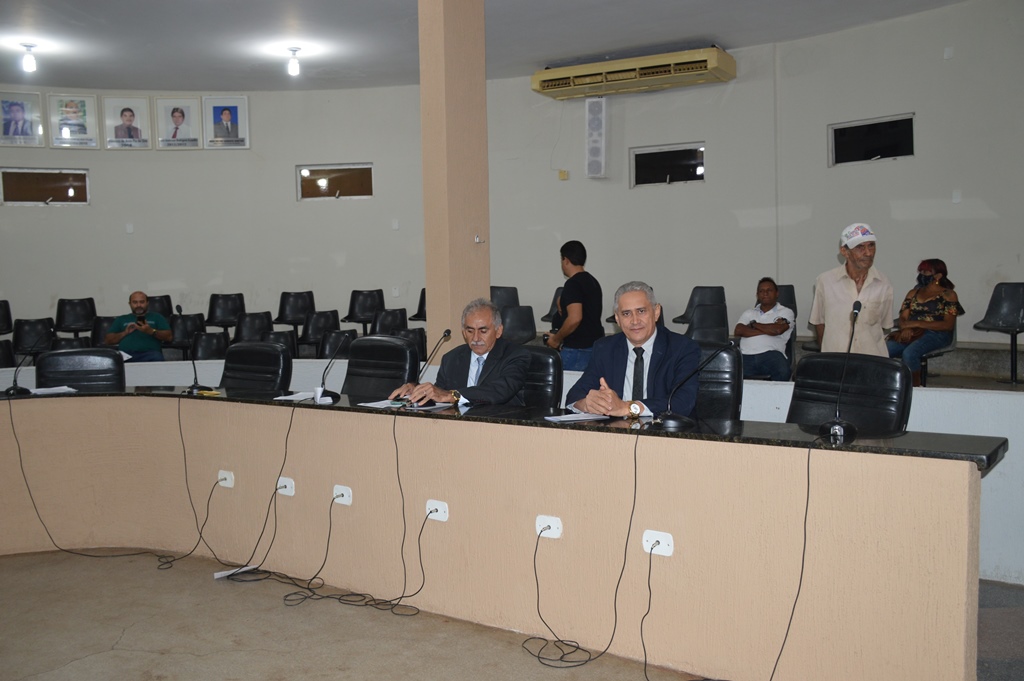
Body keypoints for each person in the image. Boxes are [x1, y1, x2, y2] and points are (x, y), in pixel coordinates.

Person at [566, 281, 700, 418]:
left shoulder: (682, 348)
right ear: (617, 319)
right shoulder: (604, 348)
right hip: (616, 429)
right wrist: (587, 404)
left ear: (656, 312)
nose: (635, 321)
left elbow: (684, 402)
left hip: (661, 429)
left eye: (641, 311)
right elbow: (574, 396)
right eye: (626, 314)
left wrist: (628, 408)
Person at [389, 298, 530, 407]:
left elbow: (500, 391)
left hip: (498, 427)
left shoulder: (515, 355)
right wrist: (416, 391)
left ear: (498, 331)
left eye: (483, 331)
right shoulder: (451, 358)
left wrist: (454, 395)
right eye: (470, 331)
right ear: (463, 332)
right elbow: (440, 394)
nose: (476, 338)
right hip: (458, 426)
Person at [809, 223, 893, 356]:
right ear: (844, 252)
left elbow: (883, 325)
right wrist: (828, 358)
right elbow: (819, 323)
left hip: (872, 359)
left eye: (871, 245)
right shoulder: (825, 281)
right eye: (860, 247)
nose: (868, 253)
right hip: (837, 360)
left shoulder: (884, 283)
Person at [887, 259, 964, 386]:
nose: (922, 274)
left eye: (926, 272)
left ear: (938, 276)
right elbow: (903, 318)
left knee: (910, 353)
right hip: (912, 332)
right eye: (921, 271)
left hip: (938, 334)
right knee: (883, 349)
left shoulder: (949, 295)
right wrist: (906, 328)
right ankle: (887, 384)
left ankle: (913, 388)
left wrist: (916, 324)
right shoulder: (912, 293)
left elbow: (948, 325)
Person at [544, 240, 603, 371]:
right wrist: (562, 301)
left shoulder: (573, 284)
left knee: (566, 384)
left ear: (566, 260)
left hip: (576, 351)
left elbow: (575, 318)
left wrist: (556, 339)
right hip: (594, 347)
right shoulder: (593, 282)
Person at [734, 277, 794, 381]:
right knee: (727, 370)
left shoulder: (786, 312)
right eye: (761, 291)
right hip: (745, 355)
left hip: (772, 355)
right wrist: (769, 329)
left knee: (783, 371)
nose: (765, 293)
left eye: (769, 290)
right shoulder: (749, 313)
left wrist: (753, 324)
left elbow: (777, 330)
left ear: (777, 293)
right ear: (757, 295)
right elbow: (738, 330)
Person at [104, 291, 172, 362]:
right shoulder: (121, 319)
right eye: (135, 302)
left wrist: (150, 331)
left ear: (147, 303)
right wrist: (125, 332)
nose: (138, 305)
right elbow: (108, 340)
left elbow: (169, 337)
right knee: (115, 360)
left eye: (142, 302)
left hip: (150, 354)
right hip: (126, 355)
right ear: (130, 304)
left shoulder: (157, 317)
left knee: (157, 357)